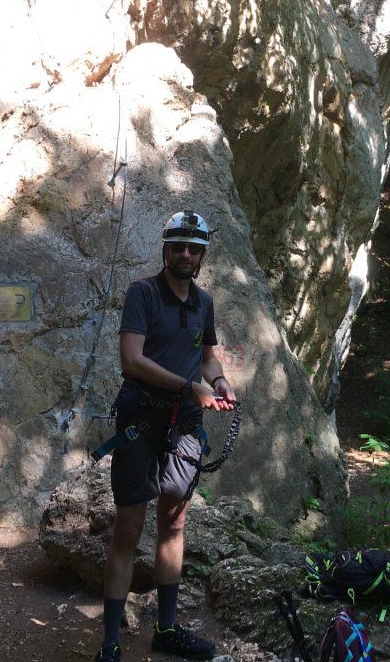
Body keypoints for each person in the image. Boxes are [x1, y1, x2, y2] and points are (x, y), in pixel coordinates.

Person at [95, 210, 237, 662]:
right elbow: (131, 360)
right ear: (166, 249)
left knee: (174, 524)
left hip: (183, 428)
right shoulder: (143, 294)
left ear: (201, 256)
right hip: (143, 420)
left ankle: (167, 628)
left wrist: (218, 382)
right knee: (128, 529)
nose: (185, 254)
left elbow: (207, 358)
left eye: (193, 248)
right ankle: (111, 644)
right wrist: (187, 386)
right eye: (178, 246)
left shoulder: (204, 303)